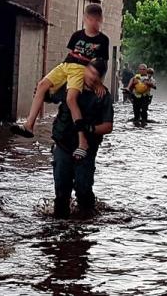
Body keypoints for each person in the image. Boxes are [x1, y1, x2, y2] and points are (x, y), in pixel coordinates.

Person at [11, 3, 109, 162]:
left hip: (81, 69)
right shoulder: (77, 35)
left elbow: (102, 64)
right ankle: (29, 124)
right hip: (66, 65)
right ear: (85, 19)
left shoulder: (103, 40)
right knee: (42, 85)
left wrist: (97, 83)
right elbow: (70, 55)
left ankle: (82, 141)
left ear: (101, 20)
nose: (94, 23)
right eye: (91, 19)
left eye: (97, 20)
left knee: (71, 99)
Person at [46, 59, 114, 219]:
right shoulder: (71, 86)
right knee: (62, 191)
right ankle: (60, 227)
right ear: (84, 69)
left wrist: (90, 128)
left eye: (96, 75)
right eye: (90, 71)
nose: (91, 76)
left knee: (83, 190)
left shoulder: (102, 96)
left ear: (101, 78)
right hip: (63, 145)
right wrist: (44, 94)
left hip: (87, 149)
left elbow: (108, 126)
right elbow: (50, 94)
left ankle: (86, 224)